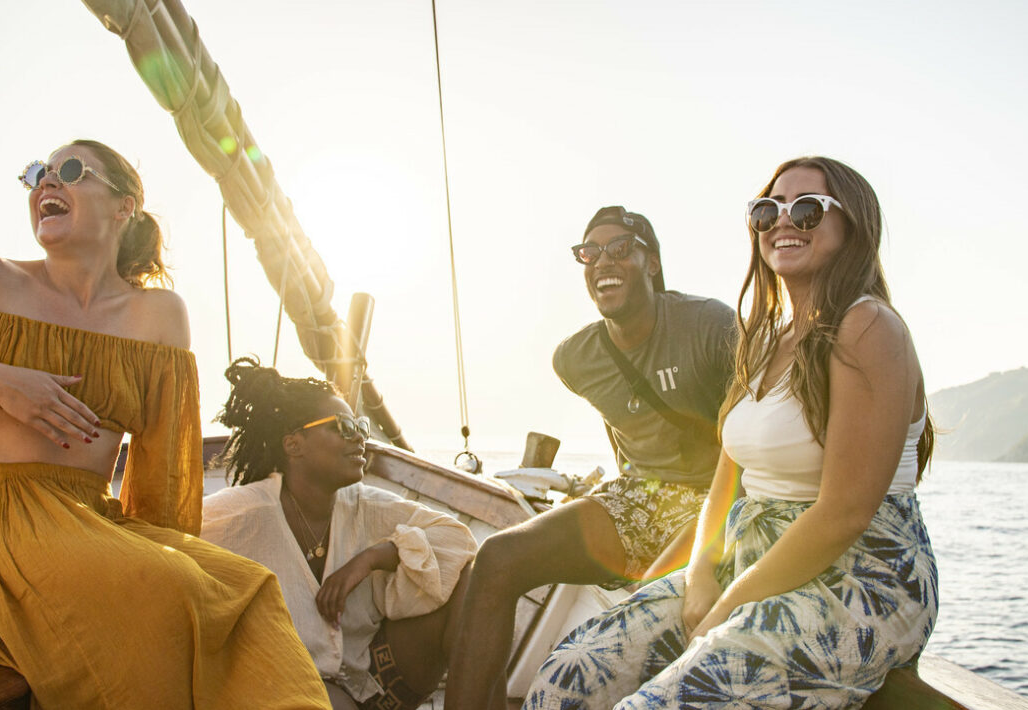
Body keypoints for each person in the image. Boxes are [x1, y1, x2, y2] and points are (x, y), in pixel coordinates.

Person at [524, 157, 939, 709]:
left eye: (808, 209)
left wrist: (726, 608)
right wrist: (699, 572)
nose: (783, 222)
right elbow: (728, 471)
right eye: (768, 211)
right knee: (565, 676)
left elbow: (844, 514)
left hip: (859, 577)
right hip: (751, 556)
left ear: (854, 226)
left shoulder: (867, 327)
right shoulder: (765, 338)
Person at [0, 140, 332, 708]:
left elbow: (164, 473)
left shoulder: (157, 316)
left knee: (246, 590)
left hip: (88, 518)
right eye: (37, 174)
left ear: (125, 206)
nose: (47, 183)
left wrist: (161, 547)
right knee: (161, 588)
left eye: (70, 171)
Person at [446, 206, 737, 709]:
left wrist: (709, 540)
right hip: (639, 496)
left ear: (651, 262)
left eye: (621, 248)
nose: (603, 259)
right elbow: (620, 422)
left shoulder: (710, 326)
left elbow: (754, 441)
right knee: (494, 560)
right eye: (589, 252)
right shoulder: (574, 359)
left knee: (643, 603)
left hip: (720, 499)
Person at [202, 357, 477, 710]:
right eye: (344, 426)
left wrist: (372, 558)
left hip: (368, 680)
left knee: (470, 576)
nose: (360, 437)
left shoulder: (365, 506)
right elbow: (170, 550)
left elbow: (457, 540)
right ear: (293, 444)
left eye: (361, 426)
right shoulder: (239, 517)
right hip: (285, 691)